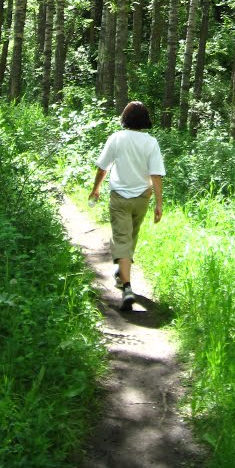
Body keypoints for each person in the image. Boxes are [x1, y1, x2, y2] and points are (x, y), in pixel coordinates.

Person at [89, 101, 165, 311]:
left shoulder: (117, 138)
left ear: (125, 118)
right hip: (142, 197)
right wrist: (159, 203)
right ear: (145, 120)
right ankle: (123, 276)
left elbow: (103, 167)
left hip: (119, 197)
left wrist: (96, 188)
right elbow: (156, 174)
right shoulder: (151, 142)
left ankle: (127, 286)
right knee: (130, 237)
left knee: (122, 237)